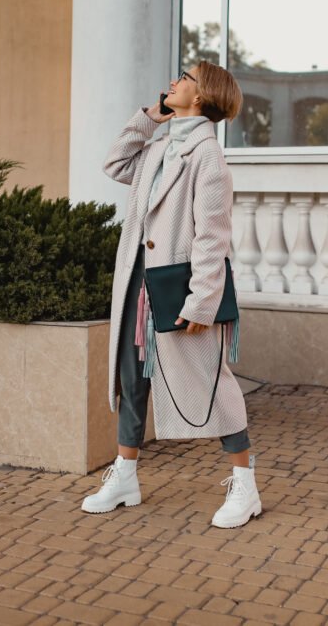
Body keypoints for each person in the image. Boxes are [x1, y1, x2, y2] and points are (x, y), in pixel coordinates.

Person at [80, 61, 262, 529]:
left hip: (179, 286)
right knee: (131, 378)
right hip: (139, 282)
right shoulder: (160, 146)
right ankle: (125, 475)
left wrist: (202, 300)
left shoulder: (207, 156)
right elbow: (115, 162)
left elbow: (212, 236)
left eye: (185, 78)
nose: (173, 81)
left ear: (200, 97)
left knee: (210, 381)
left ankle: (245, 485)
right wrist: (148, 116)